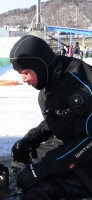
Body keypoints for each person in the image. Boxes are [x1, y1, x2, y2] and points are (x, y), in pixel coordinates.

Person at [9, 35, 92, 199]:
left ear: (39, 66)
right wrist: (31, 138)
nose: (23, 79)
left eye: (25, 73)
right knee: (21, 161)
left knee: (41, 190)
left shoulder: (80, 87)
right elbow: (59, 117)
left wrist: (44, 169)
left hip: (87, 152)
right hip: (71, 142)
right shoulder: (50, 83)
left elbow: (89, 140)